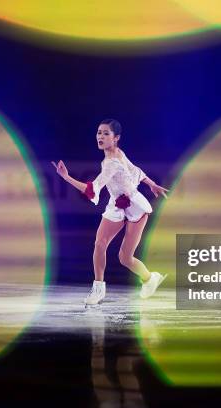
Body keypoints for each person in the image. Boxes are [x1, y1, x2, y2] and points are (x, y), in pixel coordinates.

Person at [51, 119, 169, 306]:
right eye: (99, 132)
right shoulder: (114, 156)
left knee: (125, 258)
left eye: (106, 133)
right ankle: (98, 288)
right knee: (100, 243)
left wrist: (66, 178)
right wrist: (152, 184)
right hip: (116, 205)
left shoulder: (112, 161)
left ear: (116, 138)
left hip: (135, 207)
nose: (101, 136)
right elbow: (134, 171)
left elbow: (93, 188)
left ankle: (149, 278)